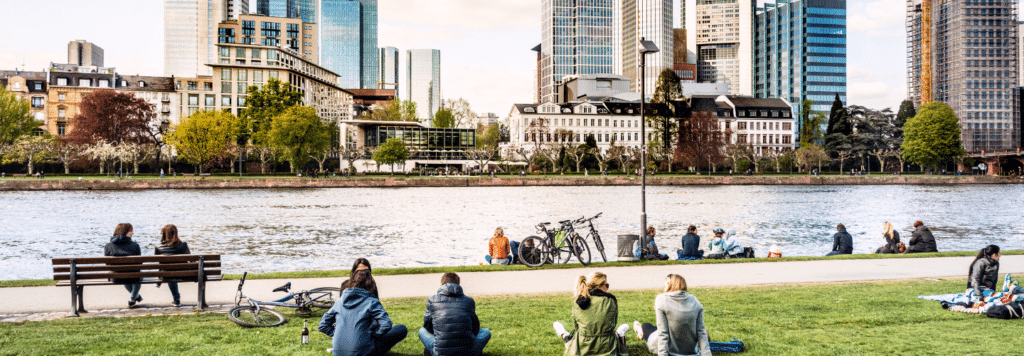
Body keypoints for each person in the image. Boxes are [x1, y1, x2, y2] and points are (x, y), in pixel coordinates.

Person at [320, 270, 407, 356]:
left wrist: (337, 335)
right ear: (371, 284)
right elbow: (386, 324)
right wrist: (373, 335)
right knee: (401, 329)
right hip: (363, 352)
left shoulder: (339, 302)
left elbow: (323, 325)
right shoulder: (371, 301)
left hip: (338, 353)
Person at [632, 274, 712, 356]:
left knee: (646, 326)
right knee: (704, 333)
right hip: (690, 351)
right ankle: (640, 330)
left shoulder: (661, 300)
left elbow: (663, 333)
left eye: (665, 286)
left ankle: (639, 330)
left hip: (663, 347)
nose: (663, 288)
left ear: (671, 285)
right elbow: (701, 332)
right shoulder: (695, 301)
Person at [552, 272, 629, 356]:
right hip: (607, 347)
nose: (607, 288)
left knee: (570, 338)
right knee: (620, 331)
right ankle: (620, 333)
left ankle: (562, 333)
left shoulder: (578, 302)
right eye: (606, 285)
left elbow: (577, 327)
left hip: (582, 346)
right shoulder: (610, 300)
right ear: (599, 286)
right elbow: (613, 323)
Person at [418, 273, 491, 356]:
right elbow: (475, 327)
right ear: (458, 284)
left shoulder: (432, 300)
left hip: (440, 352)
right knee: (486, 331)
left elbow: (427, 325)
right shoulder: (469, 301)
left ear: (441, 284)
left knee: (422, 331)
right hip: (468, 352)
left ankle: (432, 350)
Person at [104, 223, 143, 308]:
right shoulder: (135, 245)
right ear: (126, 232)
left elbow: (107, 264)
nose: (132, 233)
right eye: (131, 231)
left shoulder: (108, 246)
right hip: (134, 277)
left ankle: (135, 297)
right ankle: (133, 299)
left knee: (127, 274)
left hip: (116, 277)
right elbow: (140, 264)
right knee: (138, 274)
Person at [154, 224, 191, 307]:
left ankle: (176, 299)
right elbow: (191, 259)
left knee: (168, 271)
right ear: (176, 233)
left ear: (163, 234)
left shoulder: (158, 247)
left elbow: (159, 263)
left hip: (167, 275)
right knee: (170, 271)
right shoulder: (183, 245)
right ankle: (176, 299)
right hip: (184, 274)